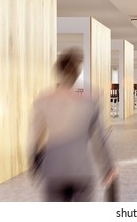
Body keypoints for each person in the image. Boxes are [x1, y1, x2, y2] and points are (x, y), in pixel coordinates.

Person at [28, 47, 117, 202]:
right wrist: (108, 168)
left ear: (59, 72)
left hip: (54, 169)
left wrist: (34, 163)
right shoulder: (91, 97)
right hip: (81, 169)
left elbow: (35, 138)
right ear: (77, 72)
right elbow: (99, 138)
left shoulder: (44, 99)